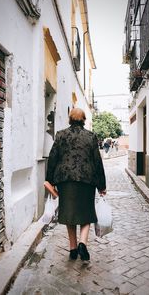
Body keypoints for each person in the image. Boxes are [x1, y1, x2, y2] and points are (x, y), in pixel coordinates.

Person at [46, 108, 106, 262]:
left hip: (65, 180)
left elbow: (53, 158)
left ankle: (73, 248)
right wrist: (102, 185)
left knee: (69, 213)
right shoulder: (91, 136)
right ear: (84, 119)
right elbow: (97, 162)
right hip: (87, 180)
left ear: (70, 119)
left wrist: (49, 180)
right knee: (86, 212)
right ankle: (82, 243)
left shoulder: (60, 135)